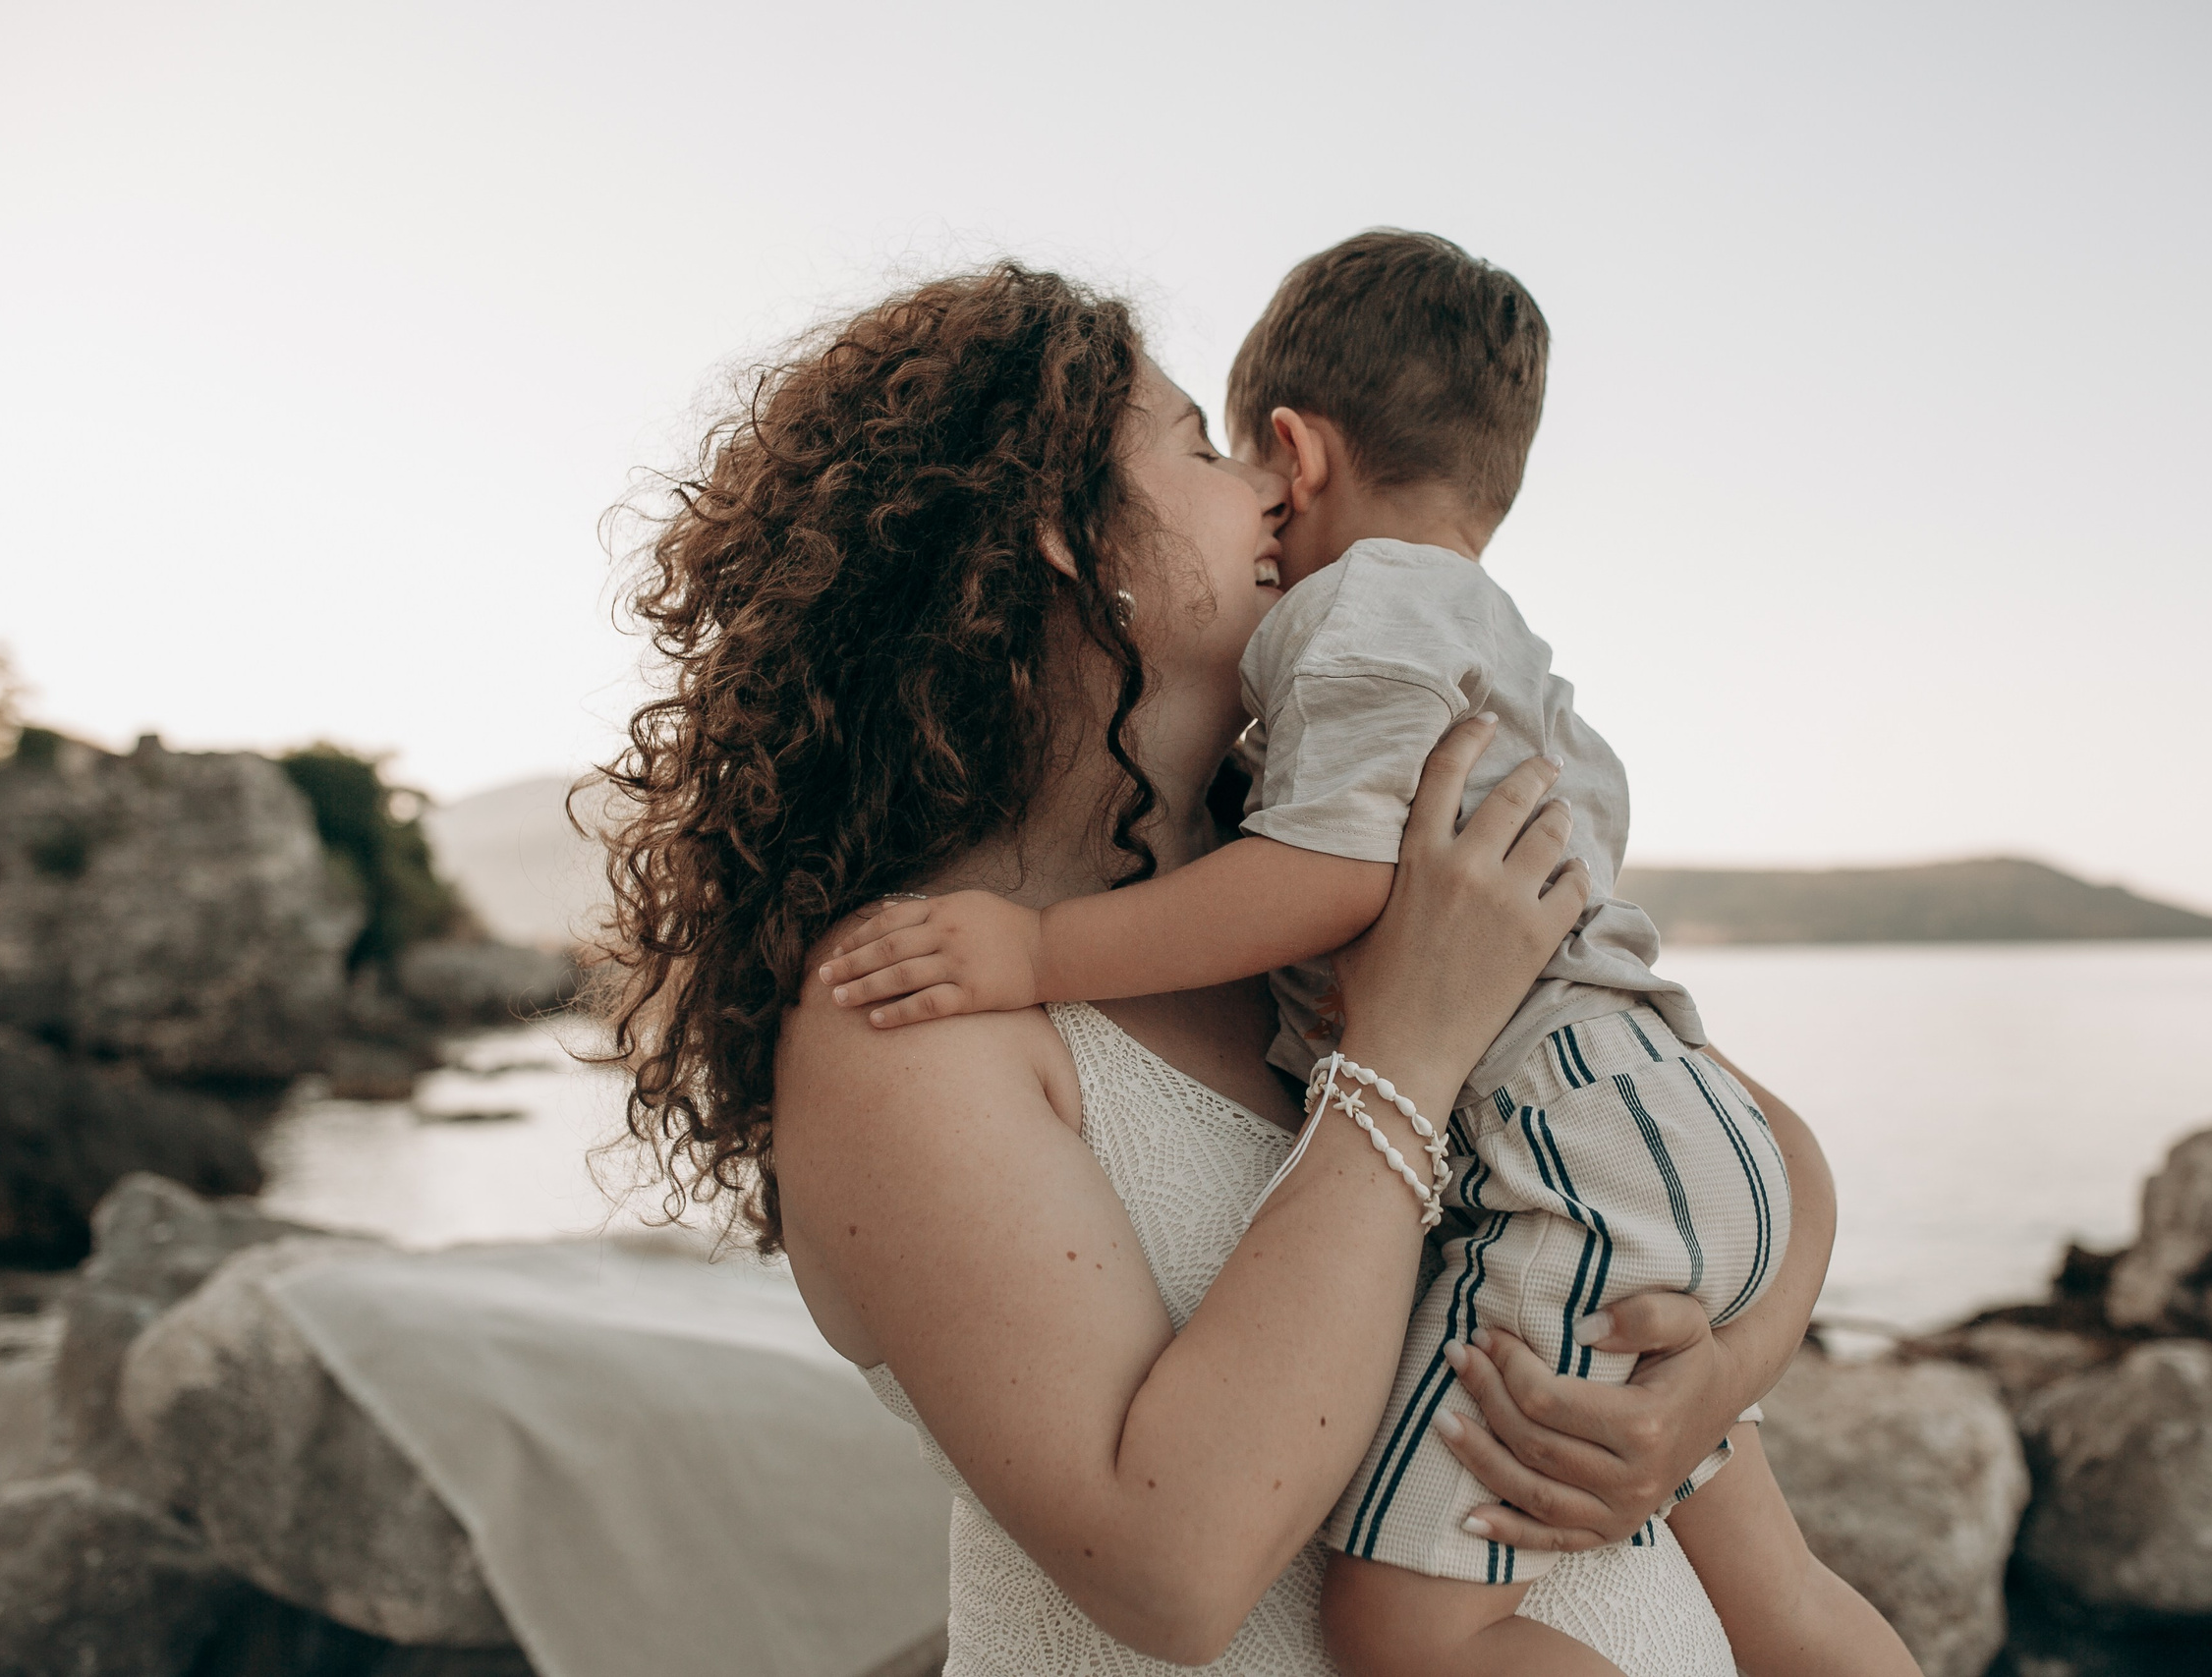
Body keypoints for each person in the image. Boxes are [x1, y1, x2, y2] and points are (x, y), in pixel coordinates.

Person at [599, 261, 1840, 1675]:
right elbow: (1172, 1565)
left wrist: (1717, 1385)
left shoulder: (1310, 889)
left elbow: (1763, 1147)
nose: (1269, 488)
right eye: (1200, 446)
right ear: (1064, 534)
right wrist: (1405, 1060)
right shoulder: (904, 1016)